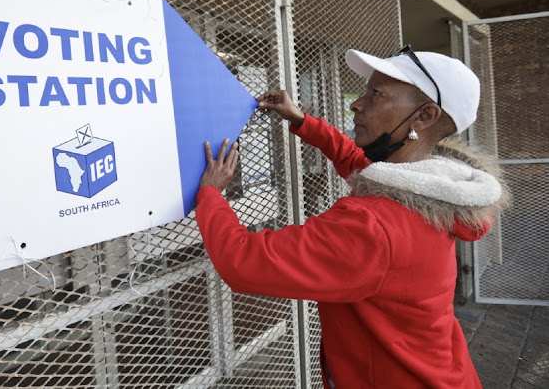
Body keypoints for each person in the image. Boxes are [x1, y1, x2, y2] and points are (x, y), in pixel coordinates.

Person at [196, 45, 508, 388]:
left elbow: (243, 260)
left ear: (424, 116)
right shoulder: (437, 189)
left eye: (376, 94)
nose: (356, 103)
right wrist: (300, 119)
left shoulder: (372, 225)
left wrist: (211, 194)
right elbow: (357, 161)